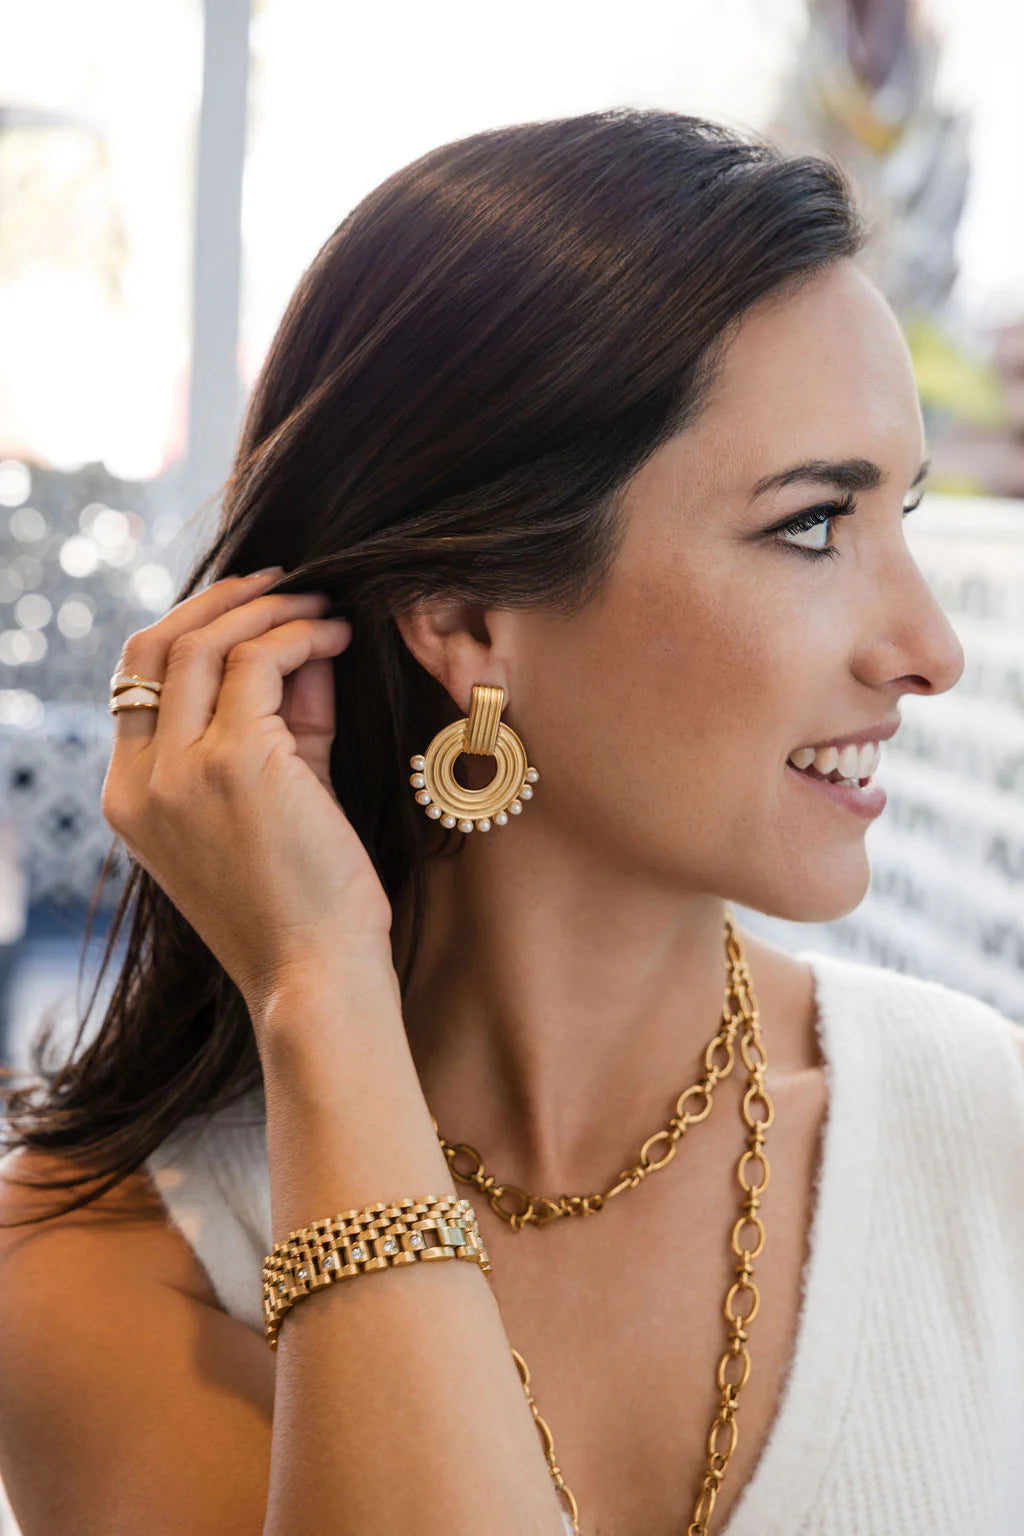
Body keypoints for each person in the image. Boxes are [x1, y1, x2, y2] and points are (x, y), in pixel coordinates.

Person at [0, 107, 1021, 1536]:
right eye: (811, 525)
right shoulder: (118, 1250)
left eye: (903, 514)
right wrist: (318, 986)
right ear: (469, 620)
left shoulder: (983, 1132)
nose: (929, 648)